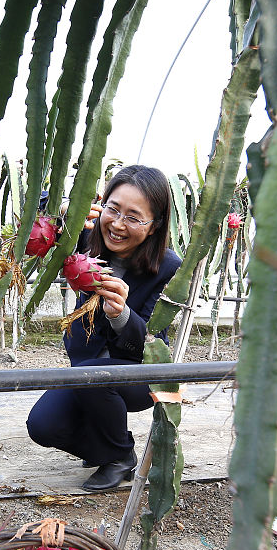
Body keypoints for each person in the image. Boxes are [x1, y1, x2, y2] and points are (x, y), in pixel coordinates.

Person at [26, 165, 182, 490]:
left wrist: (121, 314)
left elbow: (153, 343)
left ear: (154, 226)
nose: (117, 224)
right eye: (113, 209)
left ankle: (119, 457)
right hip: (85, 365)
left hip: (140, 374)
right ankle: (108, 445)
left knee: (96, 376)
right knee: (42, 426)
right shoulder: (86, 236)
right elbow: (39, 204)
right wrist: (65, 208)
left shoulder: (169, 268)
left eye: (134, 217)